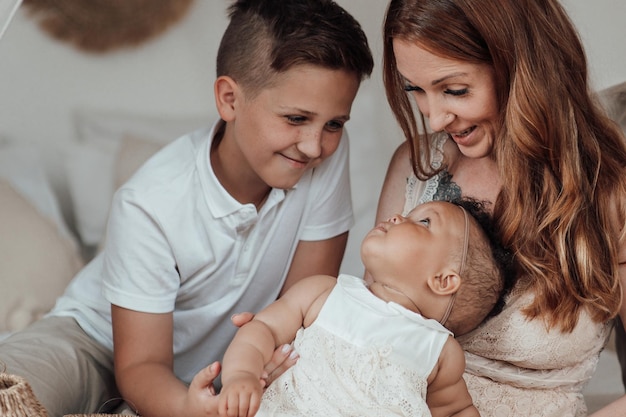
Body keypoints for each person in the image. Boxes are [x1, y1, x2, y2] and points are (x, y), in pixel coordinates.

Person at [0, 1, 373, 416]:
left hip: (239, 359)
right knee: (13, 393)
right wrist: (190, 409)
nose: (314, 144)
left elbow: (303, 311)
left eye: (335, 124)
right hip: (95, 341)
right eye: (295, 118)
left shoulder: (322, 158)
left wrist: (244, 372)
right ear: (229, 99)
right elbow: (141, 366)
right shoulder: (150, 203)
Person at [376, 0, 626, 416]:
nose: (434, 118)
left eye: (454, 90)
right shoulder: (416, 167)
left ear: (519, 69)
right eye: (414, 89)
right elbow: (366, 329)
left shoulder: (610, 194)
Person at [218, 199, 513, 417]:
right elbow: (262, 328)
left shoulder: (439, 351)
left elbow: (456, 410)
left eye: (424, 222)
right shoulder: (323, 291)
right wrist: (242, 374)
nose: (398, 216)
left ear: (443, 280)